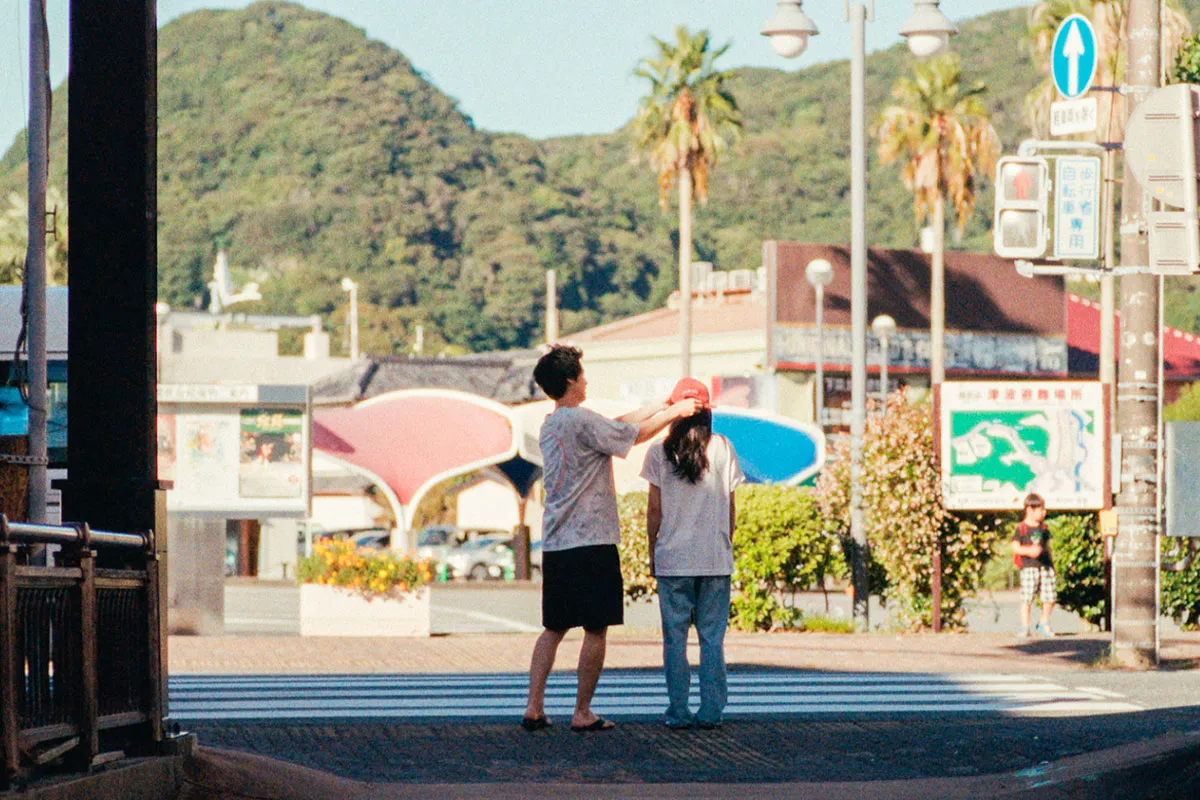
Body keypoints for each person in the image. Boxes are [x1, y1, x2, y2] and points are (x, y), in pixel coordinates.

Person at [521, 345, 700, 733]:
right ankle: (582, 711)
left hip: (557, 541)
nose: (586, 381)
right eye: (582, 375)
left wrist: (659, 404)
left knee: (553, 628)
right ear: (571, 380)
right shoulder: (582, 420)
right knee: (595, 628)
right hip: (592, 539)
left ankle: (534, 706)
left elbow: (615, 425)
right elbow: (632, 435)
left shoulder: (553, 424)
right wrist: (675, 413)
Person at [641, 378, 744, 730]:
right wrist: (725, 542)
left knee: (675, 640)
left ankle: (678, 711)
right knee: (712, 638)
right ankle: (711, 711)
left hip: (673, 558)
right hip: (714, 558)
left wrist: (652, 549)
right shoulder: (723, 447)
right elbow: (731, 507)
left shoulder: (658, 452)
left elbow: (654, 510)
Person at [1012, 493, 1056, 638]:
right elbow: (1015, 547)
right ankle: (1025, 627)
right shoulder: (1021, 528)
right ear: (1030, 510)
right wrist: (1029, 551)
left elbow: (1047, 547)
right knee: (1027, 598)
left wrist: (1052, 566)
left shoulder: (1044, 528)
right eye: (1041, 509)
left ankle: (1044, 623)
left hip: (1045, 566)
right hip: (1029, 567)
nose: (1044, 512)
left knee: (1050, 596)